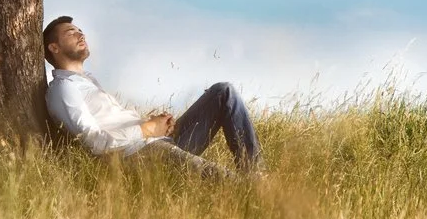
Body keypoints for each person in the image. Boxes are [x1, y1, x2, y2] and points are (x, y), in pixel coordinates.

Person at [43, 15, 263, 178]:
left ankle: (257, 174)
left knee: (224, 92)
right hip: (140, 154)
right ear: (54, 47)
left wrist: (154, 125)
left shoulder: (87, 81)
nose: (81, 34)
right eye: (71, 33)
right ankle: (260, 190)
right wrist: (146, 129)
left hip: (156, 141)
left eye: (80, 30)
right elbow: (94, 142)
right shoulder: (64, 88)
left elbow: (113, 122)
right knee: (227, 181)